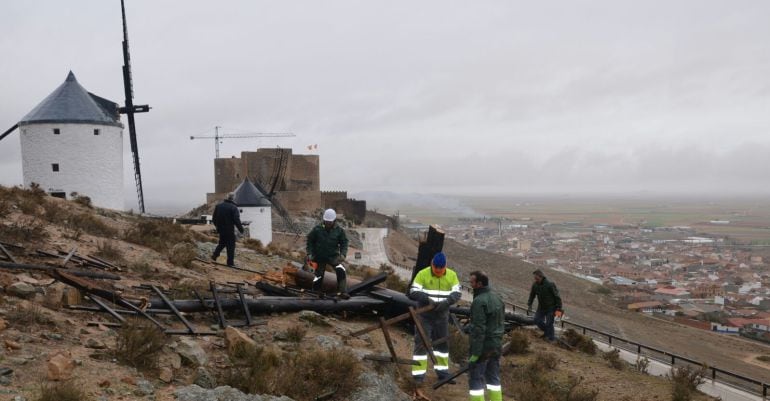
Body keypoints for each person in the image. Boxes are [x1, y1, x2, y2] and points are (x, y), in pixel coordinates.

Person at [408, 252, 462, 385]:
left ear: (445, 266)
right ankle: (418, 376)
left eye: (441, 268)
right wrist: (427, 300)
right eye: (436, 268)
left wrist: (446, 302)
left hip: (441, 316)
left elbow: (457, 293)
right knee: (421, 344)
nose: (438, 270)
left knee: (442, 344)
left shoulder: (452, 275)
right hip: (424, 316)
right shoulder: (422, 274)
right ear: (432, 264)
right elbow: (413, 291)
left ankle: (443, 374)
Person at [467, 270, 504, 401]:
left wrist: (476, 354)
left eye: (472, 282)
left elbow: (479, 330)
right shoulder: (497, 298)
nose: (470, 284)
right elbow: (500, 324)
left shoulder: (479, 301)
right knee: (493, 379)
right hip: (496, 346)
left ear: (479, 284)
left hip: (483, 347)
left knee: (476, 380)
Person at [306, 208, 350, 298]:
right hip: (319, 256)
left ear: (334, 221)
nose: (328, 223)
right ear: (324, 220)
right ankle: (315, 292)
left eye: (330, 222)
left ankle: (342, 292)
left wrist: (343, 254)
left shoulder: (339, 231)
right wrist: (309, 253)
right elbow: (310, 241)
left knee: (341, 270)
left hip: (333, 256)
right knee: (318, 274)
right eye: (326, 221)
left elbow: (344, 242)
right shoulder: (317, 229)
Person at [527, 269, 563, 342]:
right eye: (535, 278)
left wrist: (559, 308)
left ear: (541, 277)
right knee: (537, 320)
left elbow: (557, 296)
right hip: (541, 307)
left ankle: (551, 339)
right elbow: (532, 295)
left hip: (551, 308)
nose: (535, 280)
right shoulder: (535, 285)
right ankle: (548, 333)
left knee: (549, 323)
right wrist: (529, 304)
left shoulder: (550, 284)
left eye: (536, 278)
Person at [211, 192, 244, 268]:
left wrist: (217, 227)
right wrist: (241, 229)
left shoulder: (218, 206)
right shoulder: (233, 207)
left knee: (222, 243)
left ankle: (214, 256)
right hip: (229, 230)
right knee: (231, 246)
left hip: (221, 230)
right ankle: (230, 263)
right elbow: (236, 220)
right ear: (233, 198)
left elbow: (214, 219)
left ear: (227, 197)